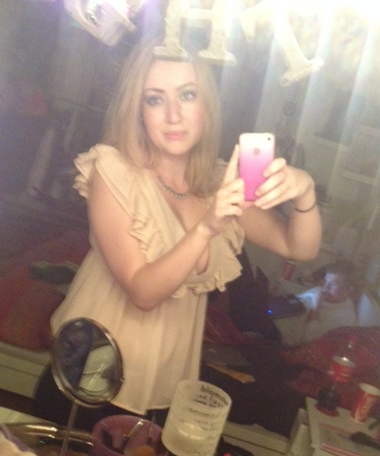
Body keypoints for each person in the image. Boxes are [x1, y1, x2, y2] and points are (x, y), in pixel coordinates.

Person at [44, 37, 321, 426]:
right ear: (138, 111)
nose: (173, 115)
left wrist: (305, 192)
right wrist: (206, 227)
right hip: (87, 378)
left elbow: (298, 247)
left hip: (162, 392)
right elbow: (143, 292)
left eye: (187, 95)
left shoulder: (221, 182)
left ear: (207, 105)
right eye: (155, 99)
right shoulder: (114, 171)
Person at [296, 260, 357, 343]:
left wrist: (315, 309)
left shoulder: (346, 318)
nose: (325, 288)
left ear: (349, 289)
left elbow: (309, 341)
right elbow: (295, 299)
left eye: (333, 284)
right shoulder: (320, 291)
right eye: (326, 281)